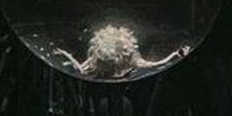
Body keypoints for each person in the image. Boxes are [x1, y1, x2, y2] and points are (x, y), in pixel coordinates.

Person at [52, 25, 190, 79]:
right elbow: (155, 64)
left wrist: (175, 54)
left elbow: (155, 64)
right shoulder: (96, 57)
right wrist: (66, 54)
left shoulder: (132, 59)